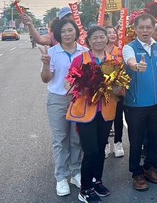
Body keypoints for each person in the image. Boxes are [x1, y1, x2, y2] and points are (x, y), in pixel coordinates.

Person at [66, 26, 119, 203]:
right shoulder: (81, 59)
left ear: (107, 39)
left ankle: (97, 181)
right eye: (94, 37)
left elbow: (120, 88)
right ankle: (85, 187)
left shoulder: (113, 60)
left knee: (101, 149)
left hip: (105, 111)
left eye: (102, 37)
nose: (99, 40)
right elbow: (69, 84)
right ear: (88, 41)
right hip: (86, 113)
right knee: (91, 151)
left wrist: (117, 88)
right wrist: (83, 87)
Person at [39, 19, 86, 197]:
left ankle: (75, 172)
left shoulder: (85, 52)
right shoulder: (51, 52)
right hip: (58, 100)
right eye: (64, 31)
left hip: (79, 100)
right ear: (58, 35)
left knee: (76, 138)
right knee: (60, 139)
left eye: (70, 30)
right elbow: (46, 79)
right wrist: (45, 63)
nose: (67, 34)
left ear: (76, 32)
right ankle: (61, 177)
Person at [122, 13, 157, 191]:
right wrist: (136, 66)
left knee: (155, 138)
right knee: (136, 140)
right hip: (135, 105)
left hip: (156, 102)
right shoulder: (129, 47)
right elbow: (130, 61)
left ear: (154, 29)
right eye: (141, 27)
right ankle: (136, 173)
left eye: (149, 27)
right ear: (135, 29)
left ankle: (150, 168)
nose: (145, 31)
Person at [104, 26, 124, 159]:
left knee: (118, 117)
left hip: (117, 90)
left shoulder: (121, 51)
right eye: (108, 32)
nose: (112, 34)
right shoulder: (99, 51)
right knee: (104, 118)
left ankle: (118, 142)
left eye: (114, 32)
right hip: (103, 90)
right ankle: (105, 143)